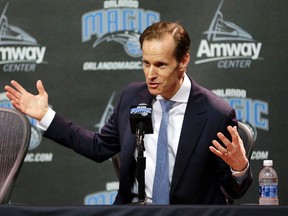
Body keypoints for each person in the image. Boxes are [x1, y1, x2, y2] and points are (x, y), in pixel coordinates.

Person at [4, 21, 252, 205]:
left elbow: (233, 191)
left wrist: (239, 167)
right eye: (145, 63)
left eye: (160, 65)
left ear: (183, 60)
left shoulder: (215, 113)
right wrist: (45, 115)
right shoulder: (134, 98)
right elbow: (98, 147)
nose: (150, 74)